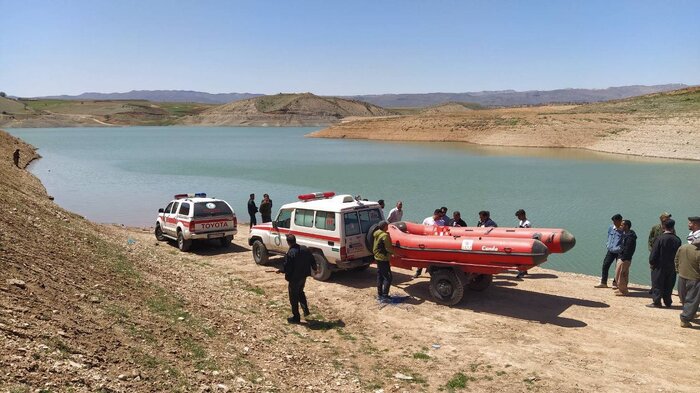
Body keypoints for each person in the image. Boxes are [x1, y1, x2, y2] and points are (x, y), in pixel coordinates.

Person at [280, 234, 318, 324]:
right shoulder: (304, 248)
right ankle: (305, 311)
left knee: (293, 297)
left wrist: (282, 271)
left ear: (288, 242)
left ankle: (296, 317)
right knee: (300, 292)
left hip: (294, 279)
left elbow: (287, 267)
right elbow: (312, 259)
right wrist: (315, 268)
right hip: (303, 276)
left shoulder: (290, 253)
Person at [648, 219, 682, 308]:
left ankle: (657, 302)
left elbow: (654, 253)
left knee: (657, 284)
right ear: (673, 227)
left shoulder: (659, 238)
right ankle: (667, 302)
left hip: (659, 266)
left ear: (663, 227)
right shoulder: (677, 239)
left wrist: (652, 262)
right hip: (672, 266)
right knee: (669, 284)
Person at [675, 238, 700, 328]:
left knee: (684, 298)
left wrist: (678, 270)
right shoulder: (698, 252)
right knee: (692, 300)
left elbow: (676, 259)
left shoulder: (683, 247)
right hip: (695, 279)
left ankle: (690, 314)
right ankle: (685, 320)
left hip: (682, 276)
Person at [595, 214, 623, 288]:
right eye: (613, 221)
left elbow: (625, 241)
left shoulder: (623, 230)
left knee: (618, 268)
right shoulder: (611, 228)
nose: (614, 223)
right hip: (610, 250)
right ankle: (603, 283)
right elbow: (608, 236)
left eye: (616, 221)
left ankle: (615, 283)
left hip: (619, 252)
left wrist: (620, 248)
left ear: (620, 221)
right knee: (605, 265)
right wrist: (607, 244)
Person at [613, 220, 637, 296]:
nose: (620, 226)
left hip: (625, 259)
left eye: (622, 225)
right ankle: (622, 289)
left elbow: (628, 249)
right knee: (622, 274)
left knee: (620, 274)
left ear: (626, 226)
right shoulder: (626, 234)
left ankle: (623, 291)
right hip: (624, 257)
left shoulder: (630, 237)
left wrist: (623, 258)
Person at [373, 221, 394, 300]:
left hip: (377, 257)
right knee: (388, 277)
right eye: (387, 226)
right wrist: (394, 253)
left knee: (380, 276)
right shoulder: (384, 236)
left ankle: (380, 293)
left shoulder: (376, 233)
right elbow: (388, 248)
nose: (388, 227)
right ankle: (385, 295)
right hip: (383, 258)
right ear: (384, 226)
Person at [515, 209, 532, 278]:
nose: (518, 217)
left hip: (525, 242)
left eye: (519, 216)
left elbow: (525, 232)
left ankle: (521, 272)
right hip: (521, 241)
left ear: (523, 215)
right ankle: (524, 270)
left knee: (520, 258)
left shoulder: (527, 223)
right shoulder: (521, 222)